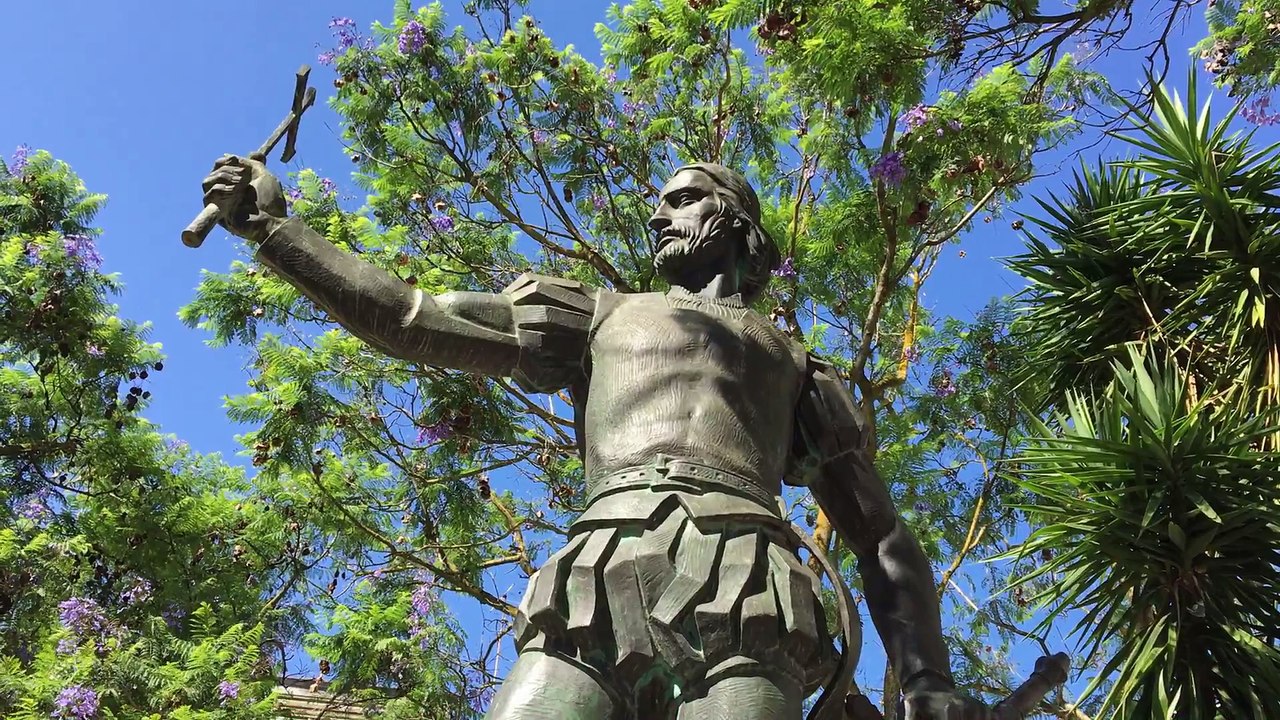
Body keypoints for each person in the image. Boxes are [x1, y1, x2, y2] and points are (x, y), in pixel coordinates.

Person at [199, 155, 1014, 719]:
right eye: (661, 200)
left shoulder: (799, 366)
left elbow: (881, 536)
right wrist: (276, 230)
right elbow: (416, 317)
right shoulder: (598, 313)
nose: (658, 211)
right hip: (597, 573)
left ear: (733, 220)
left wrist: (925, 679)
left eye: (683, 198)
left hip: (747, 585)